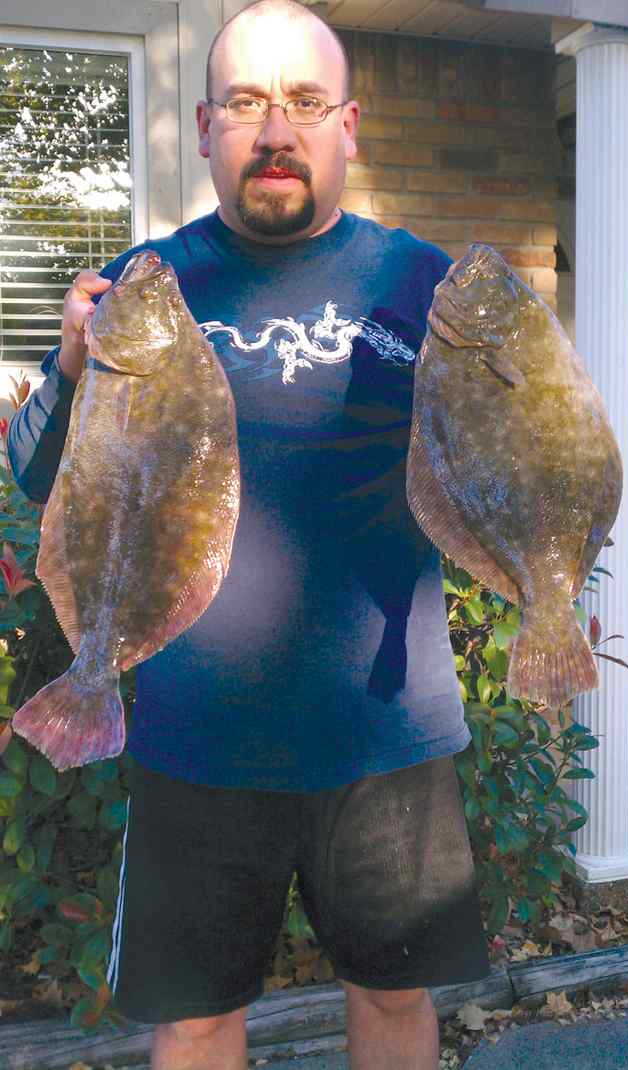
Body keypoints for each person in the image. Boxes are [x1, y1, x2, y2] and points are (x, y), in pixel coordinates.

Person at [8, 1, 492, 1067]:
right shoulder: (143, 283)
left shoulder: (427, 285)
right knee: (195, 1020)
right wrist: (76, 366)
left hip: (389, 734)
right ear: (203, 125)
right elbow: (35, 471)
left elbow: (498, 467)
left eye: (305, 102)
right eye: (247, 102)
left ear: (349, 125)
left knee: (398, 1001)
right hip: (197, 742)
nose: (277, 129)